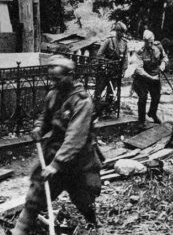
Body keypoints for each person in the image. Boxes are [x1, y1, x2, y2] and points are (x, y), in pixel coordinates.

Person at [10, 55, 102, 235]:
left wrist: (56, 165)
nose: (55, 83)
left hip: (78, 158)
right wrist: (39, 128)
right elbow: (45, 117)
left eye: (58, 79)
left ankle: (93, 225)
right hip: (55, 152)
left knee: (83, 198)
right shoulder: (53, 94)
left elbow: (76, 137)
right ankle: (19, 230)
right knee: (36, 193)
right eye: (52, 79)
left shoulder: (81, 100)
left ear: (71, 75)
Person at [132, 30, 168, 124]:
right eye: (148, 43)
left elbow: (164, 57)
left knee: (156, 96)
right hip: (142, 77)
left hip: (154, 75)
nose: (151, 44)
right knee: (143, 96)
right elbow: (139, 69)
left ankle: (152, 113)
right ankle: (141, 119)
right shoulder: (139, 50)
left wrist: (163, 64)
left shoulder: (158, 46)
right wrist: (150, 77)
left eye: (152, 42)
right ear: (144, 41)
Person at [95, 21, 128, 105]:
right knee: (99, 90)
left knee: (111, 92)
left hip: (115, 71)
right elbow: (99, 54)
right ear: (116, 31)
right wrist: (103, 64)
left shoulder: (124, 43)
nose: (122, 34)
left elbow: (125, 58)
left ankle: (107, 108)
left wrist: (123, 70)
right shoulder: (109, 41)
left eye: (123, 32)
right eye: (120, 31)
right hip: (104, 70)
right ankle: (96, 107)